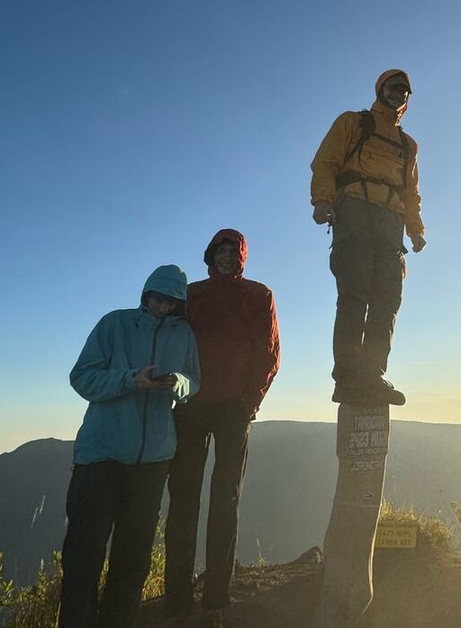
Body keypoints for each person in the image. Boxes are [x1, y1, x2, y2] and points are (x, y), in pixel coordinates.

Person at [59, 265, 200, 628]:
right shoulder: (114, 324)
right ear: (146, 293)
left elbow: (194, 380)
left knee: (133, 560)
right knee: (83, 557)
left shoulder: (184, 333)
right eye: (158, 298)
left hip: (152, 461)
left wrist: (178, 384)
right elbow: (82, 377)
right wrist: (129, 380)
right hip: (101, 456)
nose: (163, 306)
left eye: (171, 301)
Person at [164, 229, 280, 628]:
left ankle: (215, 600)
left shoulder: (259, 295)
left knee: (224, 503)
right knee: (183, 502)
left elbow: (269, 350)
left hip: (233, 408)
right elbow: (170, 339)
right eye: (221, 250)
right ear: (211, 254)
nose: (227, 257)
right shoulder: (192, 294)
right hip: (190, 405)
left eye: (234, 251)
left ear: (242, 256)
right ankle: (177, 600)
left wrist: (250, 403)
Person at [310, 68, 426, 407]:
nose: (398, 93)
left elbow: (411, 193)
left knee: (387, 298)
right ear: (380, 90)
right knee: (355, 294)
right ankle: (347, 378)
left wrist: (416, 229)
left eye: (404, 90)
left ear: (407, 98)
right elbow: (326, 163)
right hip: (355, 209)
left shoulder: (408, 145)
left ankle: (371, 375)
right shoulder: (352, 122)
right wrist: (322, 201)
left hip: (391, 219)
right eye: (393, 87)